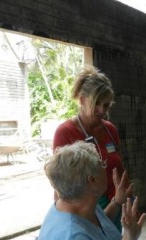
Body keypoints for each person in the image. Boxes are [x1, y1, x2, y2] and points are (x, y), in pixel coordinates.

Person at [53, 66, 129, 231]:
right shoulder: (65, 132)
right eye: (96, 104)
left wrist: (127, 198)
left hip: (113, 202)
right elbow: (59, 182)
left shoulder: (110, 129)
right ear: (81, 100)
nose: (101, 110)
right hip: (81, 208)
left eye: (106, 105)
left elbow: (118, 166)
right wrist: (59, 217)